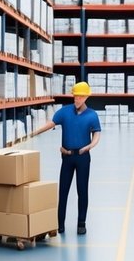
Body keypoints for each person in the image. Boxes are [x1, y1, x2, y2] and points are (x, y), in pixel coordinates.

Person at [36, 81, 101, 235]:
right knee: (63, 191)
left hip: (83, 157)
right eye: (74, 97)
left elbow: (97, 133)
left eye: (79, 97)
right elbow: (51, 123)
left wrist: (90, 146)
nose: (76, 100)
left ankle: (81, 223)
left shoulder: (92, 115)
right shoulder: (64, 112)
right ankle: (60, 224)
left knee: (82, 190)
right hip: (67, 157)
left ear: (85, 97)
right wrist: (36, 132)